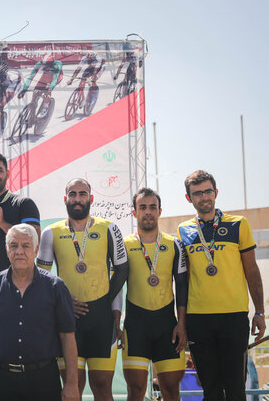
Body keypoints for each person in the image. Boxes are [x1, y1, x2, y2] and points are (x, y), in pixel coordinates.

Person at [37, 178, 129, 400]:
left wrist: (110, 309)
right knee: (72, 386)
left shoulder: (110, 228)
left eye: (82, 194)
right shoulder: (51, 232)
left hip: (102, 319)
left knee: (102, 386)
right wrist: (62, 301)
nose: (77, 199)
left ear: (91, 198)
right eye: (73, 194)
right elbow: (42, 277)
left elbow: (123, 269)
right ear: (65, 199)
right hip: (68, 318)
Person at [177, 170, 265, 400]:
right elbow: (183, 281)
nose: (204, 197)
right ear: (189, 198)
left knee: (235, 387)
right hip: (199, 319)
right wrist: (182, 322)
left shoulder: (238, 224)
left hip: (234, 316)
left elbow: (252, 271)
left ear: (215, 193)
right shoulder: (183, 230)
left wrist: (260, 312)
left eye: (208, 191)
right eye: (197, 193)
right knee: (211, 389)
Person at [0, 224, 79, 401]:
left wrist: (72, 384)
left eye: (26, 246)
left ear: (36, 250)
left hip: (44, 380)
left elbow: (67, 337)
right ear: (7, 250)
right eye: (14, 245)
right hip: (1, 380)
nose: (19, 251)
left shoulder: (56, 287)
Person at [122, 188, 187, 401]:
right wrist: (115, 321)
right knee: (136, 390)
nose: (148, 212)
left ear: (160, 211)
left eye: (152, 207)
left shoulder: (174, 244)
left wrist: (182, 324)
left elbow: (182, 286)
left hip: (167, 327)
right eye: (142, 207)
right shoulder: (124, 245)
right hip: (135, 327)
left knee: (171, 390)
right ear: (134, 212)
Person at [0, 151, 40, 301]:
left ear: (8, 173)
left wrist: (3, 224)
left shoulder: (23, 203)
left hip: (23, 288)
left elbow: (35, 240)